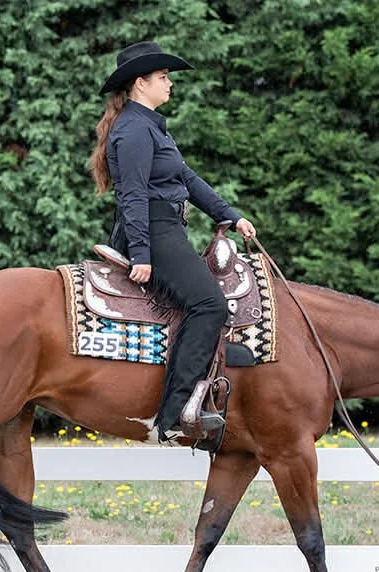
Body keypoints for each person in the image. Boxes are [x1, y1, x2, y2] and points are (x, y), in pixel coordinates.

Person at [89, 41, 257, 442]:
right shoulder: (131, 132)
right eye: (163, 78)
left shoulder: (150, 126)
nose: (170, 84)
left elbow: (187, 180)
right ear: (140, 83)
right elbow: (131, 195)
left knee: (206, 300)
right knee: (209, 304)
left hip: (166, 229)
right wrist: (142, 255)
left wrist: (230, 215)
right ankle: (175, 417)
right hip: (150, 231)